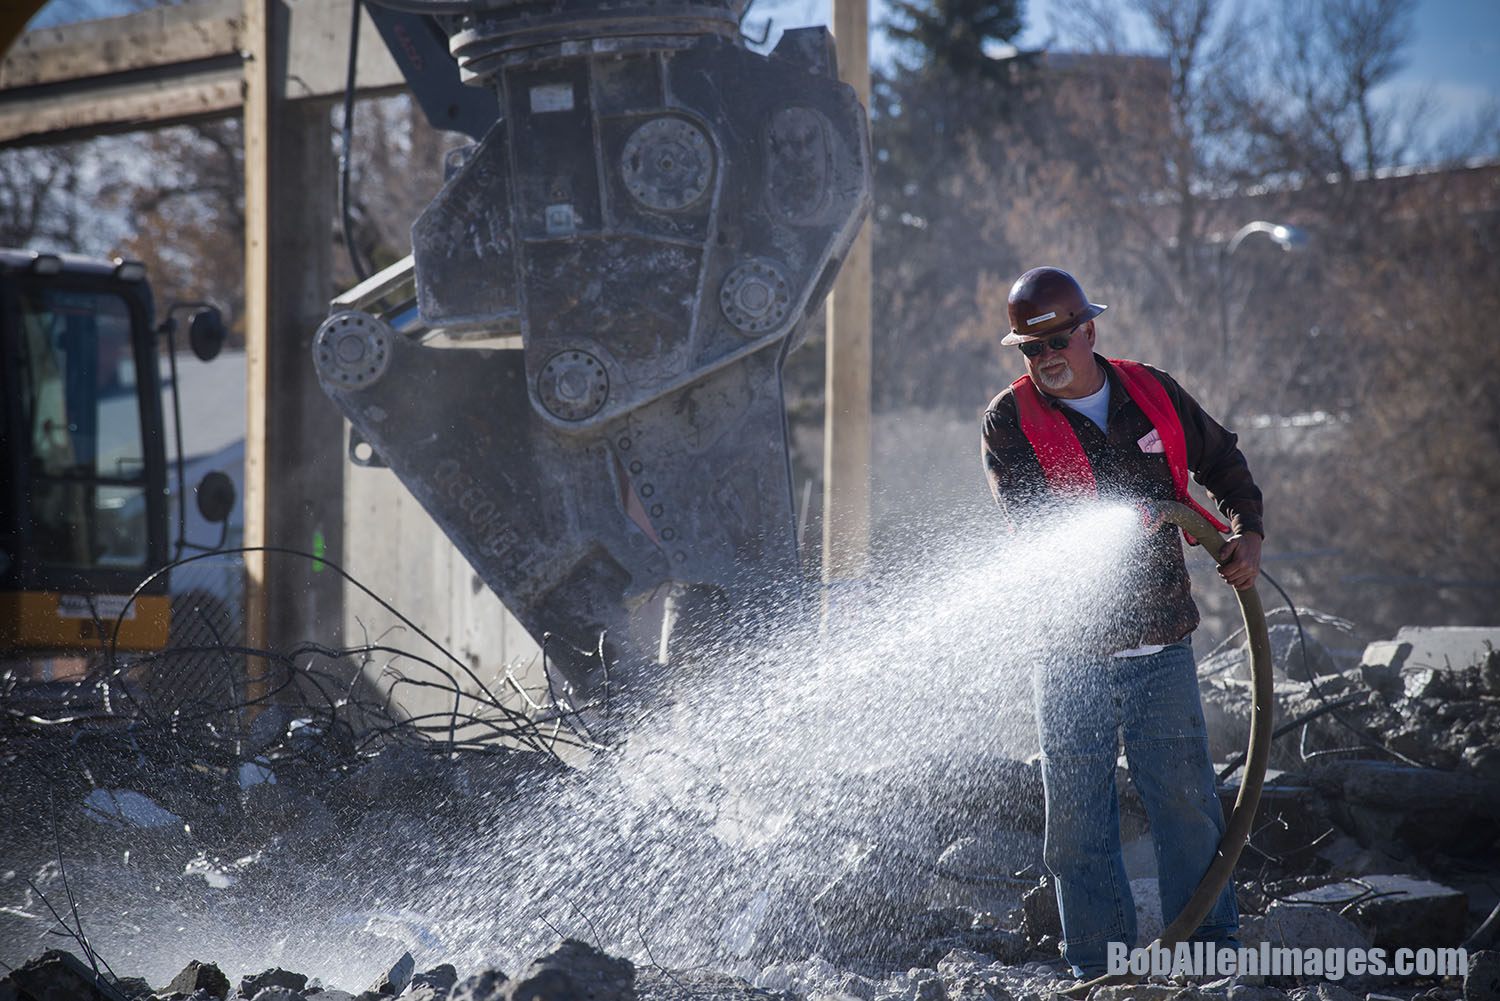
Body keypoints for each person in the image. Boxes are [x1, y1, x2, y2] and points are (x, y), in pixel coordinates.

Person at [980, 266, 1264, 978]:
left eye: (1057, 340)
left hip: (1160, 642)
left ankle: (1208, 955)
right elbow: (1030, 520)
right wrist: (1112, 520)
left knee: (1187, 806)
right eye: (1030, 347)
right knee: (1077, 822)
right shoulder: (1008, 419)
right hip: (1068, 649)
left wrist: (1245, 532)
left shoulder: (1153, 391)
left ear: (1089, 331)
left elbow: (1223, 461)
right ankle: (1098, 967)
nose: (1045, 357)